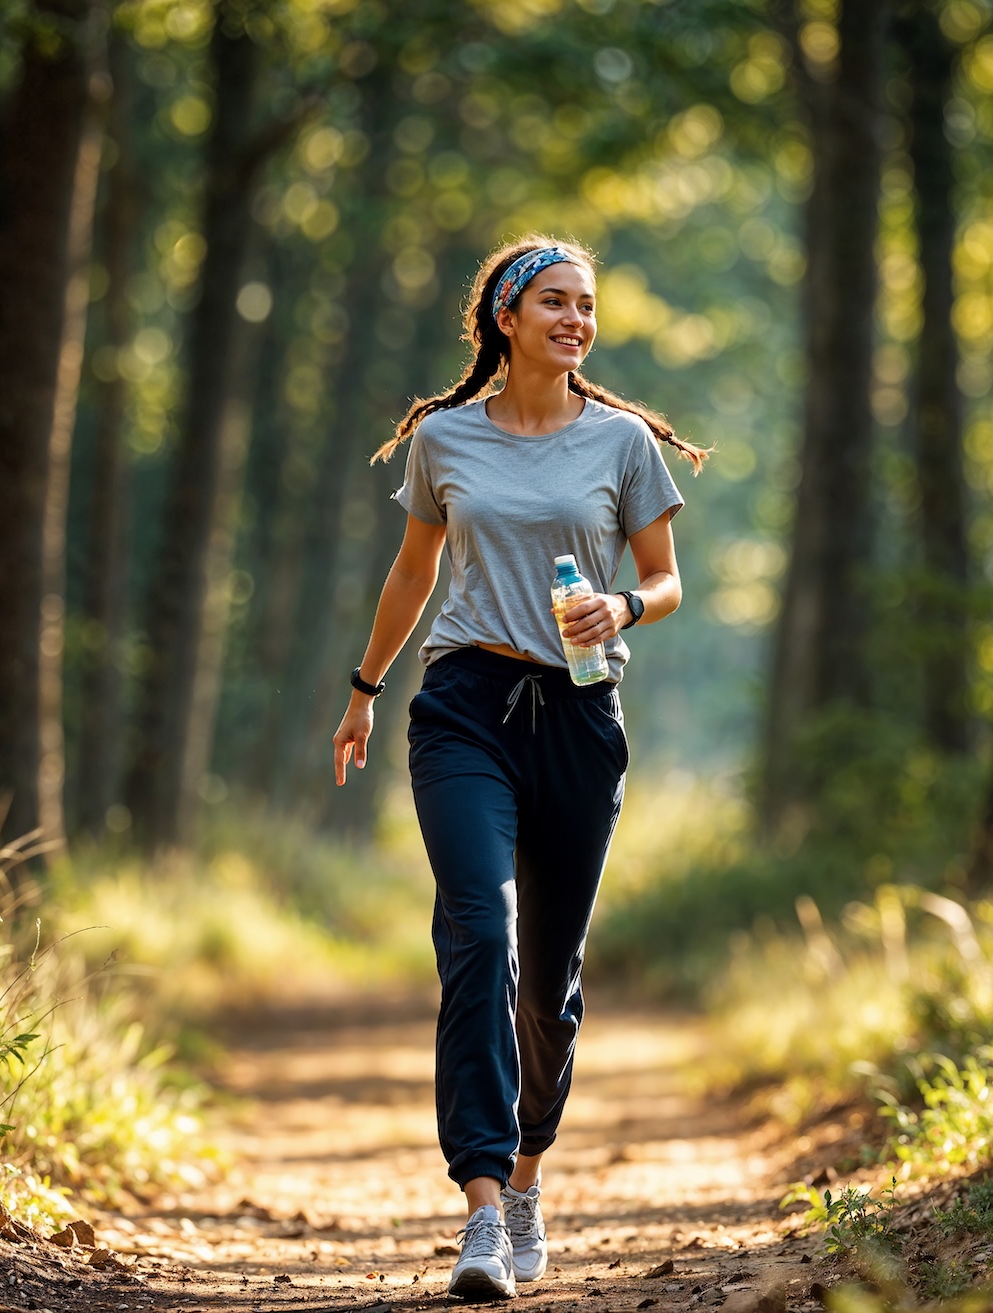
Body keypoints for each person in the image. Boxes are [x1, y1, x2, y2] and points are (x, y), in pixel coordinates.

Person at [331, 236, 707, 1300]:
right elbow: (415, 569)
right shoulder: (445, 441)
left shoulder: (625, 442)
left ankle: (531, 1178)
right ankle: (484, 1211)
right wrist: (363, 691)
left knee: (548, 983)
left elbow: (668, 578)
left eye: (586, 304)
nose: (574, 319)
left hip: (581, 716)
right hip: (464, 708)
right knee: (477, 933)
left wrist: (623, 604)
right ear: (506, 315)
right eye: (553, 301)